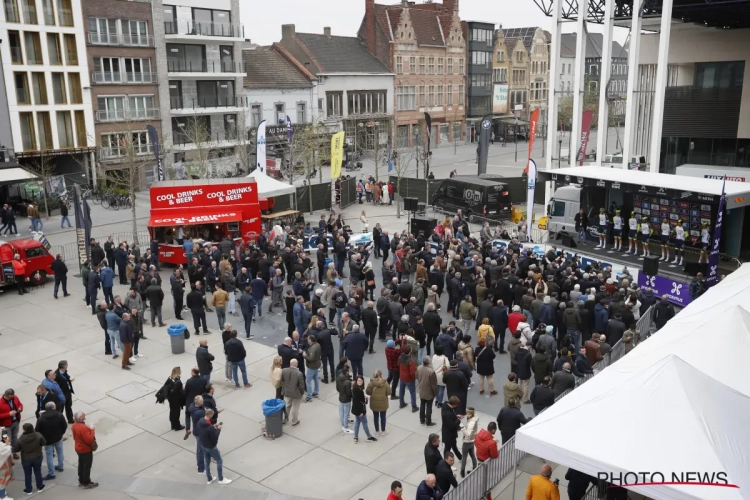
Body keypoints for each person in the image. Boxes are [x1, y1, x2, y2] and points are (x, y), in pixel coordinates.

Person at [196, 409, 232, 485]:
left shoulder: (200, 422)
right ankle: (221, 479)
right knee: (219, 461)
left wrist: (213, 427)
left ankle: (209, 478)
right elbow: (215, 437)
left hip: (203, 445)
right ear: (209, 415)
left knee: (207, 462)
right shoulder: (209, 428)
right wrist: (218, 429)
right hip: (211, 447)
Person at [34, 401, 66, 480]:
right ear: (53, 407)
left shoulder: (42, 418)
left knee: (49, 456)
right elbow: (64, 425)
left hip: (47, 440)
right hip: (58, 437)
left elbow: (37, 430)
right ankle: (60, 466)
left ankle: (51, 473)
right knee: (60, 452)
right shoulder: (59, 415)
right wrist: (61, 433)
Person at [12, 423, 46, 495]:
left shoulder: (21, 439)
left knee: (27, 474)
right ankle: (40, 486)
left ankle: (28, 489)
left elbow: (16, 449)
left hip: (26, 459)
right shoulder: (38, 435)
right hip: (37, 457)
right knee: (38, 472)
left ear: (24, 429)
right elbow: (43, 443)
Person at [71, 411, 98, 489]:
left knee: (81, 464)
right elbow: (90, 440)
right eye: (84, 416)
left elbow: (74, 437)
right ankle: (86, 482)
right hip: (85, 450)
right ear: (80, 418)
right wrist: (92, 430)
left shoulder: (74, 425)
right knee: (87, 466)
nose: (85, 417)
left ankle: (81, 480)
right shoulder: (83, 427)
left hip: (78, 448)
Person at [183, 367, 207, 440]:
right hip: (199, 401)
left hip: (190, 401)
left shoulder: (189, 381)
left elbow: (185, 392)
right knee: (198, 416)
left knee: (187, 415)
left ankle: (188, 429)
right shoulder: (203, 380)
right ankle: (197, 429)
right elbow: (204, 390)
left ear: (193, 372)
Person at [351, 375, 377, 443]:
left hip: (356, 410)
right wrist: (361, 412)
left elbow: (357, 401)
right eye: (359, 381)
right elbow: (359, 402)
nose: (360, 382)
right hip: (360, 410)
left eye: (361, 381)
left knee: (357, 422)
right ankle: (369, 436)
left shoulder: (355, 388)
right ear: (356, 381)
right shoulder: (358, 390)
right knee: (364, 423)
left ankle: (355, 437)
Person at [365, 370, 390, 436]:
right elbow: (389, 392)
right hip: (383, 403)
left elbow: (367, 392)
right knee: (383, 417)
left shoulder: (371, 383)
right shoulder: (385, 383)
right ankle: (383, 431)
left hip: (374, 403)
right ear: (381, 375)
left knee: (376, 417)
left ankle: (377, 431)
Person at [281, 358, 305, 425]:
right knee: (295, 407)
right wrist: (302, 393)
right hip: (296, 393)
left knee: (288, 405)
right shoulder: (299, 374)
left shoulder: (284, 370)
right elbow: (301, 386)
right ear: (296, 364)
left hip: (287, 392)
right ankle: (294, 421)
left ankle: (285, 418)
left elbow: (282, 380)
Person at [416, 356, 438, 427]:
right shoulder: (431, 372)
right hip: (429, 392)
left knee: (422, 405)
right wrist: (436, 393)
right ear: (429, 362)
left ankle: (422, 419)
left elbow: (417, 377)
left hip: (422, 390)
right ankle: (428, 421)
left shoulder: (419, 368)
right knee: (429, 407)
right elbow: (434, 385)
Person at [440, 396, 462, 461]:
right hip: (449, 434)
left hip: (449, 433)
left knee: (454, 446)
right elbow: (451, 425)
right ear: (454, 404)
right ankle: (446, 461)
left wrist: (455, 416)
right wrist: (458, 420)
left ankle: (460, 457)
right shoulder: (447, 414)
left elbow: (451, 416)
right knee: (447, 449)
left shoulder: (445, 405)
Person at [398, 345, 418, 412]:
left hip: (402, 377)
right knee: (412, 392)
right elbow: (412, 373)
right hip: (409, 379)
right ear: (410, 351)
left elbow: (398, 365)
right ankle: (414, 406)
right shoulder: (411, 361)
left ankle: (401, 403)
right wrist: (414, 378)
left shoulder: (400, 357)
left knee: (401, 390)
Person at [459, 407, 479, 478]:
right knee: (472, 455)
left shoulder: (471, 423)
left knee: (464, 457)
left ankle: (462, 471)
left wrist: (462, 427)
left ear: (472, 414)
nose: (467, 415)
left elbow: (467, 434)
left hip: (467, 442)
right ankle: (474, 467)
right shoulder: (475, 419)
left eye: (469, 414)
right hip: (472, 441)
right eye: (467, 413)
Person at [336, 363, 353, 434]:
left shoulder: (339, 377)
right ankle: (345, 427)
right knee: (346, 413)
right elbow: (349, 393)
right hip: (346, 399)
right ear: (347, 371)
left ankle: (343, 424)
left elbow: (337, 388)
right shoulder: (348, 382)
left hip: (341, 397)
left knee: (341, 412)